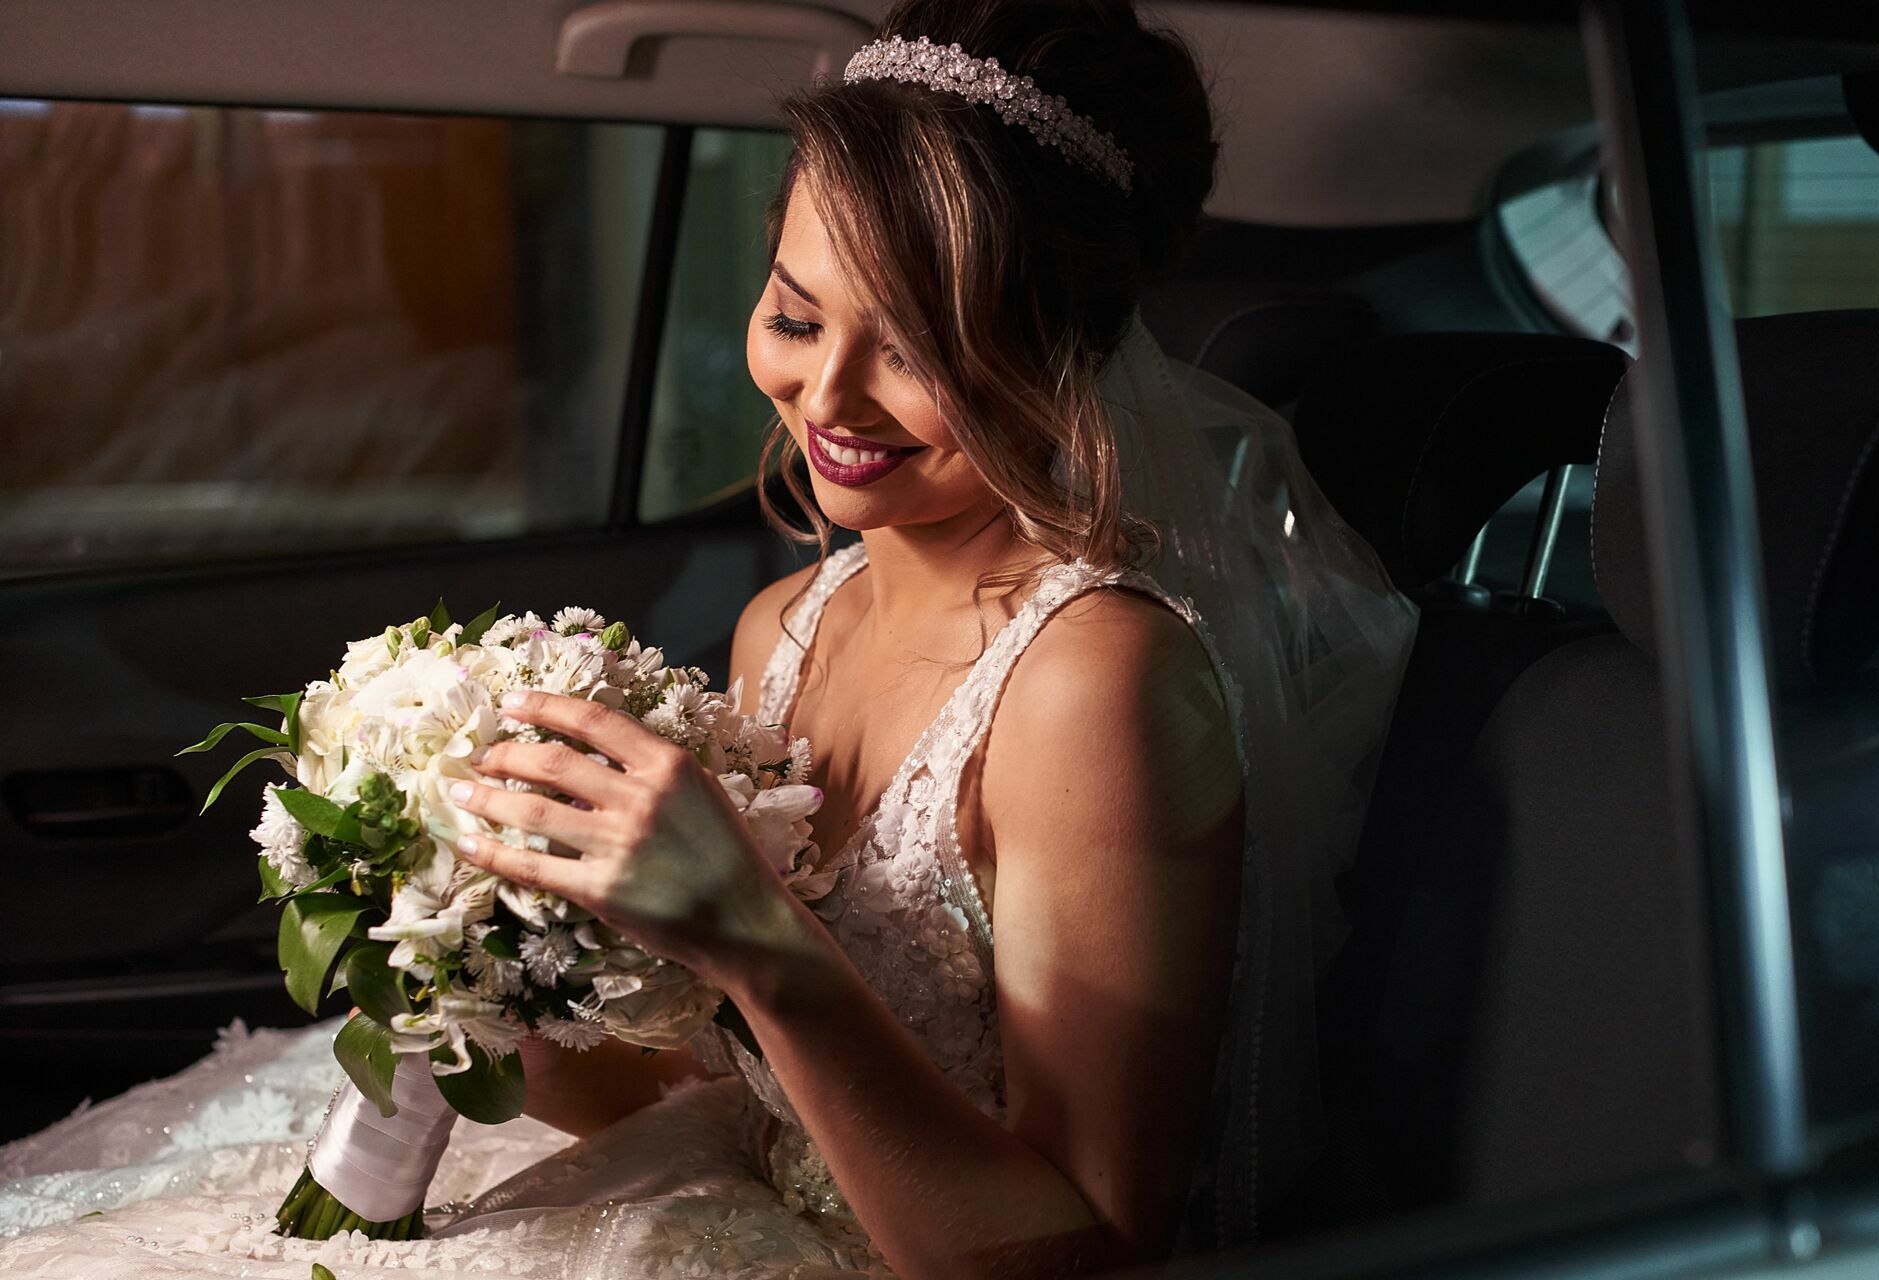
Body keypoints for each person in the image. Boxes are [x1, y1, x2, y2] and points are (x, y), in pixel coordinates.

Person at [0, 1, 1414, 1275]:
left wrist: (755, 937)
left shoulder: (1098, 687)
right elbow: (710, 1090)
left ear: (1061, 353)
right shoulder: (786, 623)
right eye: (798, 315)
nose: (829, 399)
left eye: (915, 349)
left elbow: (1088, 1251)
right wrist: (500, 952)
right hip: (715, 1194)